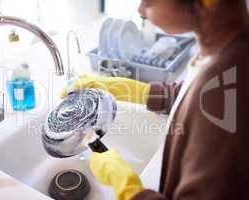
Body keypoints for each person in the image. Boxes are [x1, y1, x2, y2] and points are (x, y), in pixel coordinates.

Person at [62, 0, 249, 199]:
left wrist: (125, 185)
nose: (140, 10)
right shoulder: (225, 52)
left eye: (150, 2)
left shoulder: (228, 85)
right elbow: (189, 98)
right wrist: (121, 88)